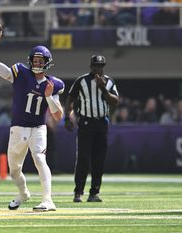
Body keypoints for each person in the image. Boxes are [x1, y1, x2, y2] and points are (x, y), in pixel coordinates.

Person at [0, 31, 64, 212]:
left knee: (39, 158)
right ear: (30, 61)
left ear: (47, 62)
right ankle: (23, 193)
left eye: (40, 60)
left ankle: (48, 200)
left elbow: (58, 116)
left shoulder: (53, 84)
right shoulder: (20, 73)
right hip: (18, 128)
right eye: (35, 60)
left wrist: (49, 97)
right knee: (14, 170)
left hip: (38, 128)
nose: (37, 63)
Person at [64, 55, 119, 203]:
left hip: (102, 124)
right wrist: (67, 117)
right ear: (91, 67)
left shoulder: (109, 81)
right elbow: (70, 98)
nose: (98, 69)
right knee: (83, 158)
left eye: (101, 66)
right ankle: (78, 192)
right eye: (96, 66)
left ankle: (94, 192)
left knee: (98, 160)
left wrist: (103, 89)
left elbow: (115, 101)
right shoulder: (82, 81)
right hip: (86, 123)